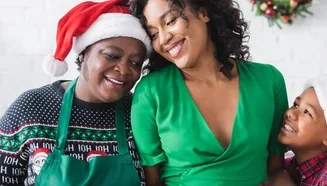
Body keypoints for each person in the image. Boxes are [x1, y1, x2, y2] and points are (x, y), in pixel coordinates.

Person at [129, 0, 288, 185]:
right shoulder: (150, 93)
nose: (164, 38)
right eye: (154, 34)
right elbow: (152, 182)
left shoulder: (268, 80)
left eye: (171, 21)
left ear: (203, 12)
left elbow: (276, 171)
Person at [0, 0, 152, 185]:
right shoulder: (32, 107)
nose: (124, 69)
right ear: (83, 53)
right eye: (112, 55)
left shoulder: (140, 112)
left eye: (135, 62)